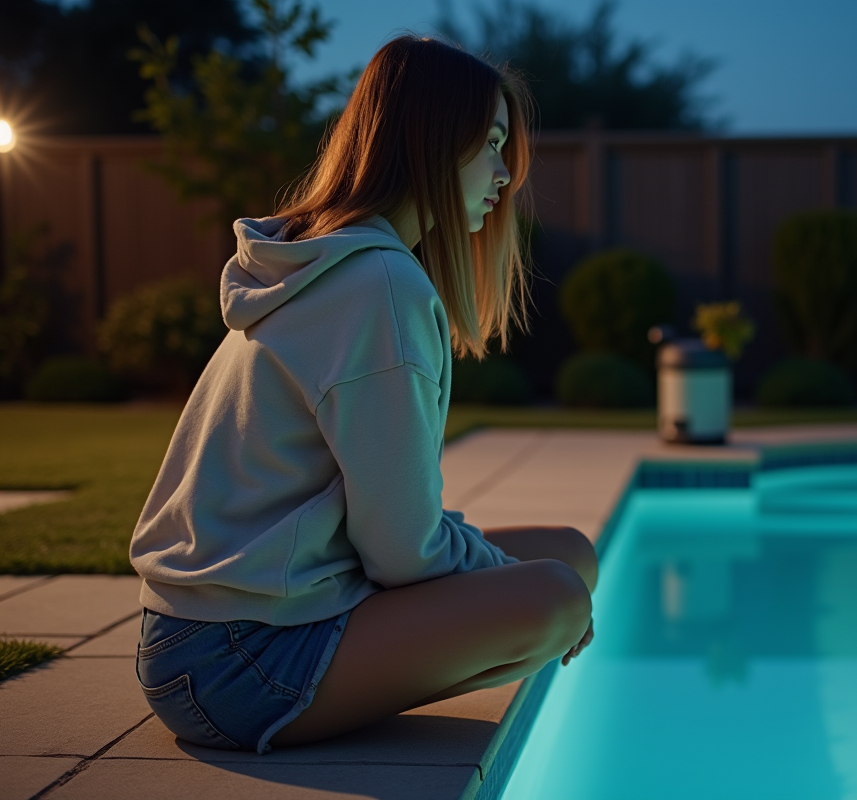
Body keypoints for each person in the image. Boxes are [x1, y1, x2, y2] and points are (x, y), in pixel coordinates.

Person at [129, 35, 596, 754]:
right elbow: (402, 552)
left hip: (207, 634)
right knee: (557, 598)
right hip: (239, 656)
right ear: (433, 141)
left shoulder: (327, 262)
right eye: (491, 143)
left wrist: (495, 571)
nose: (505, 174)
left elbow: (389, 526)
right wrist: (521, 590)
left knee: (570, 556)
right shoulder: (378, 285)